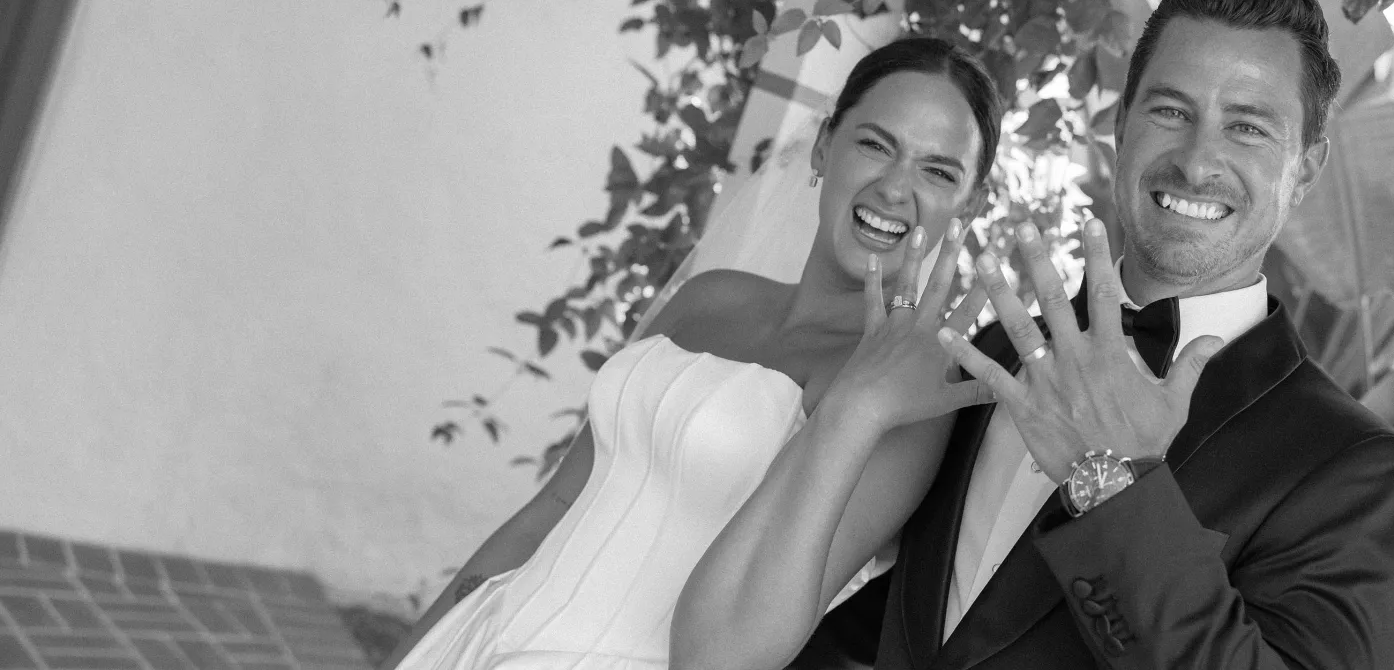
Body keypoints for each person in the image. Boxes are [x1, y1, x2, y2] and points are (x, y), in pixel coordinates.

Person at [381, 36, 1003, 670]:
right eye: (875, 144)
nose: (897, 188)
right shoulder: (711, 298)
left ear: (971, 203)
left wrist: (853, 408)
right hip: (475, 640)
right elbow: (554, 506)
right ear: (824, 146)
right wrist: (423, 645)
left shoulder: (908, 398)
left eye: (938, 170)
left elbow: (738, 651)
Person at [877, 0, 1394, 669]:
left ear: (1307, 171)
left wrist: (1113, 484)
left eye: (1248, 129)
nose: (1199, 161)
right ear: (1120, 126)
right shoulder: (989, 355)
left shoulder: (1357, 470)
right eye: (1171, 111)